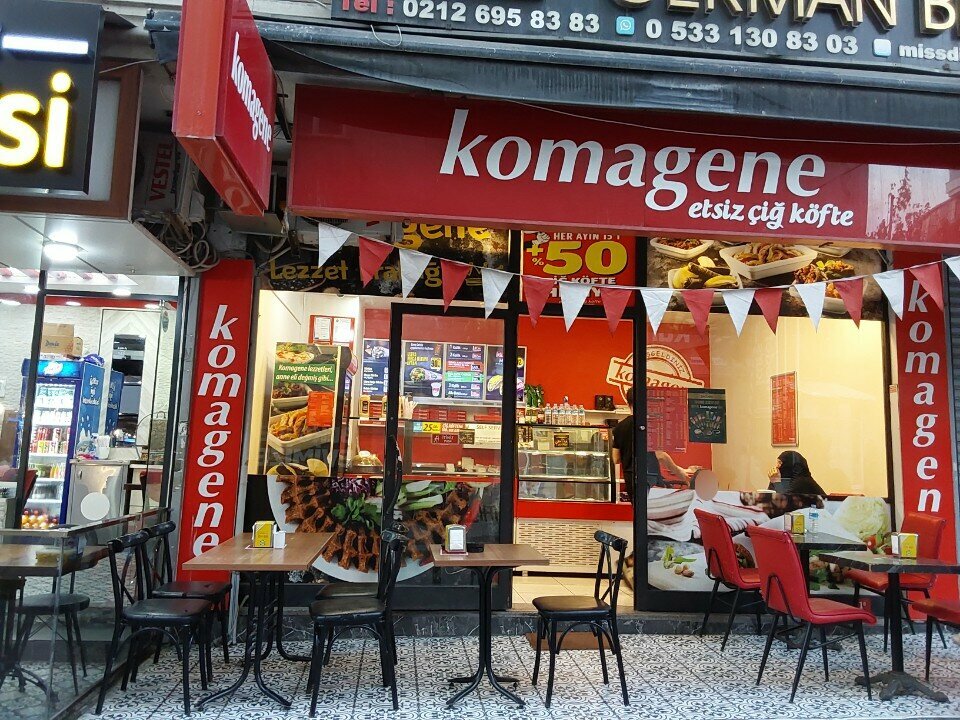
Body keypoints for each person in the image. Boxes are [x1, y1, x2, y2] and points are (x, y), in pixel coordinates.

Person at [611, 387, 696, 503]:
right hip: (649, 476)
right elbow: (660, 455)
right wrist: (679, 472)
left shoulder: (619, 427)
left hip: (630, 478)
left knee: (638, 510)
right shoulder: (650, 424)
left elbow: (616, 459)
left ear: (628, 403)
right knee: (654, 510)